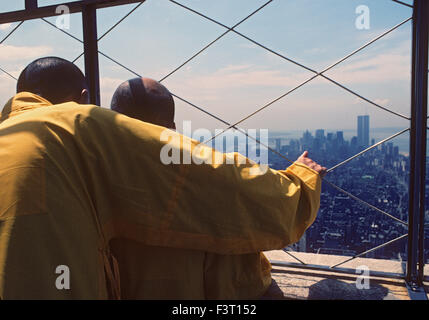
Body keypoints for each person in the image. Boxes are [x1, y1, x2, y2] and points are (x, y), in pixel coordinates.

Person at [0, 56, 326, 299]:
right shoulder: (76, 122)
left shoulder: (15, 138)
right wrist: (301, 183)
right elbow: (231, 189)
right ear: (84, 98)